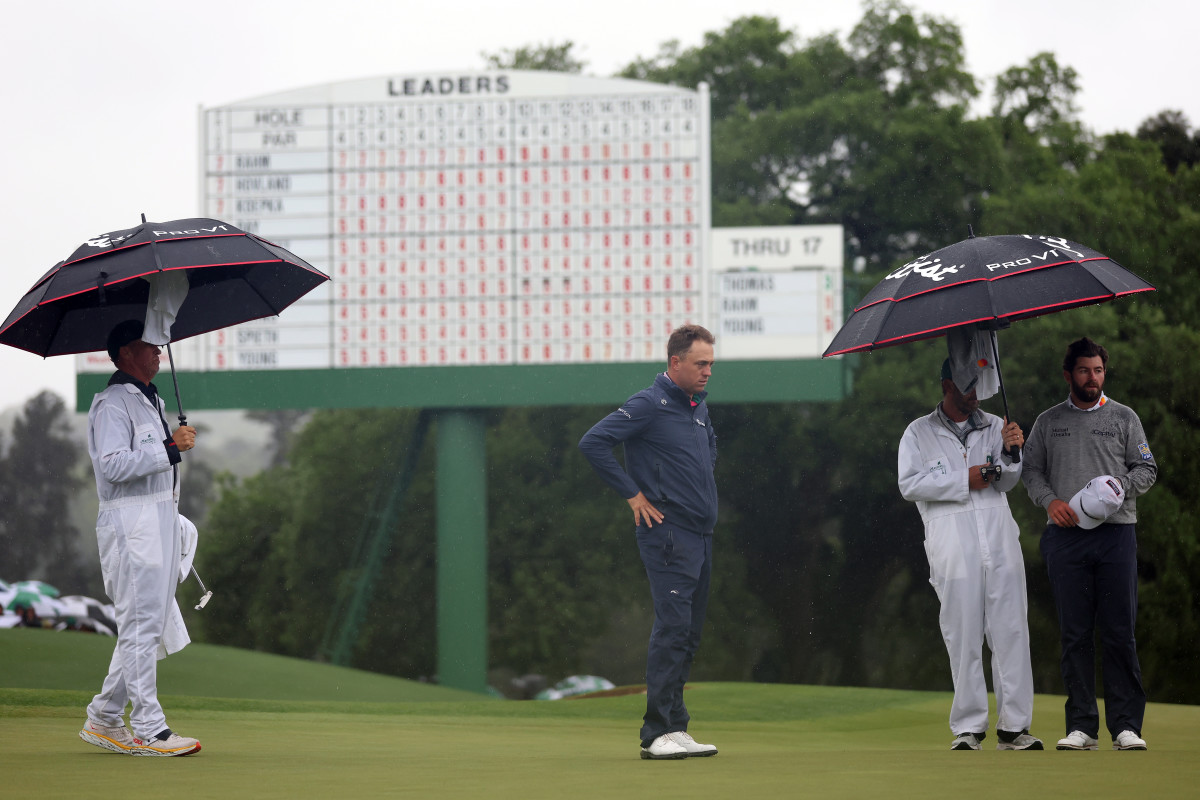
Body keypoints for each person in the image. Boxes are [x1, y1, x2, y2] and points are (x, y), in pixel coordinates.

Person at [578, 324, 719, 760]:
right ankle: (656, 732)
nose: (707, 371)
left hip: (700, 533)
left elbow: (708, 452)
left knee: (689, 633)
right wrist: (633, 493)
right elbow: (594, 442)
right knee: (672, 627)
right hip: (668, 534)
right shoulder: (649, 403)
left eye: (711, 364)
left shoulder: (697, 407)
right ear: (675, 362)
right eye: (700, 364)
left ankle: (676, 726)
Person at [898, 359, 1042, 751]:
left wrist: (1012, 452)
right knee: (962, 633)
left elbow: (1009, 480)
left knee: (1011, 629)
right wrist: (966, 479)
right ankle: (968, 726)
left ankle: (1014, 727)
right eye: (966, 386)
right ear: (946, 385)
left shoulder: (997, 426)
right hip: (951, 539)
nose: (975, 394)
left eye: (978, 385)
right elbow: (910, 485)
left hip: (997, 535)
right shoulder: (918, 432)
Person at [1022, 337, 1157, 751]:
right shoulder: (1048, 422)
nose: (1092, 378)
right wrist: (1052, 501)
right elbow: (1031, 471)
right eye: (1084, 370)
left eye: (1098, 370)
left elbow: (1147, 468)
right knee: (1075, 634)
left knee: (1119, 632)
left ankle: (1125, 726)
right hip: (1065, 537)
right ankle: (1082, 725)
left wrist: (1121, 486)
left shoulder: (1124, 417)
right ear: (1069, 375)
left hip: (1117, 534)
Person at [78, 320, 202, 757]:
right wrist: (170, 448)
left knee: (144, 626)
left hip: (158, 520)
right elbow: (112, 466)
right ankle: (150, 728)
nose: (159, 353)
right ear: (126, 352)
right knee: (140, 625)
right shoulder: (113, 404)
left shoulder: (152, 398)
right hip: (131, 526)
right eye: (151, 347)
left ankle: (105, 717)